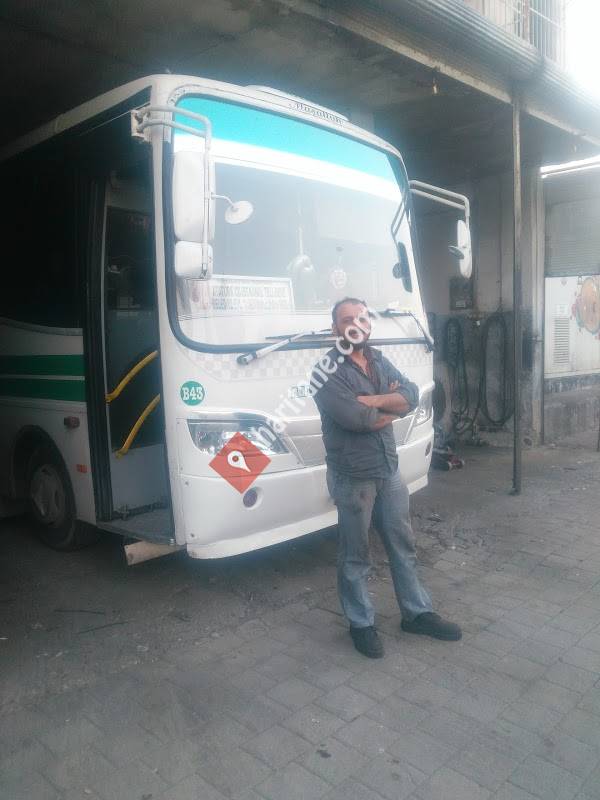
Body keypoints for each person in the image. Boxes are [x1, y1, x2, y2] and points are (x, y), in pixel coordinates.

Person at [312, 297, 461, 658]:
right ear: (335, 329)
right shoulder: (325, 373)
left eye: (360, 318)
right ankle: (361, 623)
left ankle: (417, 614)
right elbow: (359, 420)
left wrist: (374, 400)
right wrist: (391, 404)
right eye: (346, 320)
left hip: (388, 468)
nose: (355, 325)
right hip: (353, 476)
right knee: (355, 554)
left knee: (402, 543)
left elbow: (410, 394)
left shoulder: (378, 359)